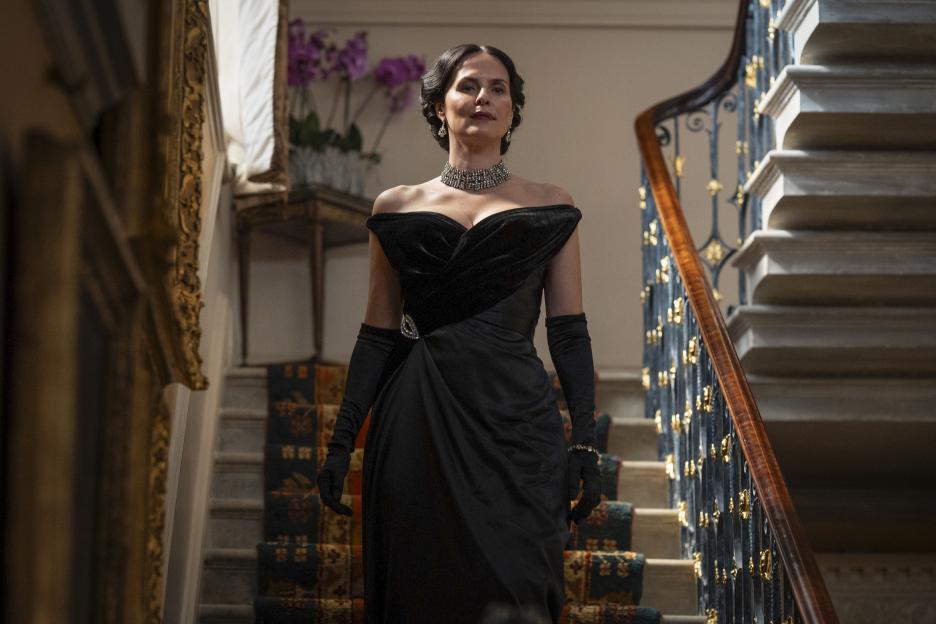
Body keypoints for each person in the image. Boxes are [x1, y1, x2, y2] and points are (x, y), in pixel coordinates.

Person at [316, 43, 601, 624]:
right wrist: (342, 439)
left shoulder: (552, 204)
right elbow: (377, 333)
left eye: (498, 89)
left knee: (521, 588)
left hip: (516, 421)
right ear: (439, 106)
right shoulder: (396, 206)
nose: (483, 99)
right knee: (423, 593)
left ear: (513, 111)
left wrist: (586, 441)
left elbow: (569, 334)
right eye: (468, 86)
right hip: (418, 418)